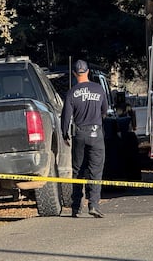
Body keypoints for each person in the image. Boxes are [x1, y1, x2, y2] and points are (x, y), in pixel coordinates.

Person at [61, 59, 109, 218]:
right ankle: (93, 204)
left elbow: (66, 117)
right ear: (88, 71)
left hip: (79, 134)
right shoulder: (99, 89)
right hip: (96, 133)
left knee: (77, 171)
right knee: (96, 170)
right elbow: (105, 111)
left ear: (75, 73)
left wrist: (65, 134)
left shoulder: (71, 92)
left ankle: (76, 207)